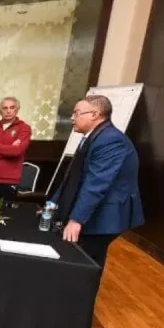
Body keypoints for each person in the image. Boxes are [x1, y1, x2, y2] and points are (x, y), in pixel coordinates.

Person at [50, 95, 144, 269]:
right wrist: (53, 204)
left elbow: (96, 184)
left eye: (77, 113)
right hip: (94, 213)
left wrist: (76, 220)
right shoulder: (93, 136)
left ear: (95, 114)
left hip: (105, 216)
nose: (72, 118)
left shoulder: (111, 140)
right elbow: (74, 177)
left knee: (84, 263)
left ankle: (77, 296)